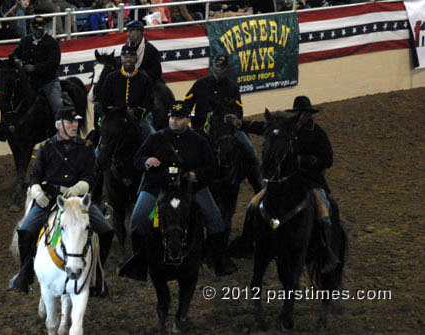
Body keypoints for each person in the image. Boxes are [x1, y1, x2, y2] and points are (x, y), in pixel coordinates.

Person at [118, 101, 237, 281]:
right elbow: (137, 159)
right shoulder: (155, 138)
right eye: (172, 117)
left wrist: (195, 174)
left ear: (187, 120)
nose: (174, 121)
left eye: (179, 118)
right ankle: (139, 264)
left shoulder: (199, 140)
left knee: (215, 219)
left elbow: (211, 168)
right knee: (138, 219)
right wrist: (146, 161)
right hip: (157, 185)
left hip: (190, 187)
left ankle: (218, 261)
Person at [8, 103, 114, 294]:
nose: (75, 125)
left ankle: (97, 275)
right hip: (50, 199)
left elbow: (91, 175)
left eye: (76, 121)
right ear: (59, 125)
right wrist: (37, 192)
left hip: (78, 202)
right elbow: (34, 176)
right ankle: (24, 274)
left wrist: (80, 187)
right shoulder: (46, 147)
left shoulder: (87, 147)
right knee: (25, 230)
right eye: (70, 121)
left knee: (106, 230)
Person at [228, 96, 340, 273]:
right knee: (252, 206)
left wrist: (304, 160)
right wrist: (240, 123)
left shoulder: (318, 133)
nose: (302, 116)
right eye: (299, 113)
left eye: (305, 113)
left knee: (324, 213)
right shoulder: (285, 128)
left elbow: (328, 159)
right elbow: (262, 127)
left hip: (310, 182)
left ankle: (326, 251)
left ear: (310, 114)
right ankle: (247, 242)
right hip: (282, 181)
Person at [183, 54, 262, 194]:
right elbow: (187, 105)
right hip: (202, 127)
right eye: (216, 66)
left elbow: (239, 110)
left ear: (226, 68)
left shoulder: (232, 87)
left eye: (221, 67)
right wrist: (185, 118)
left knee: (250, 149)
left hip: (226, 126)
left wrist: (235, 118)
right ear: (212, 66)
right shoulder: (199, 84)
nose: (218, 69)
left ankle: (257, 186)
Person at [98, 43, 156, 139]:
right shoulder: (111, 78)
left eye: (131, 56)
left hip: (139, 118)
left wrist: (136, 113)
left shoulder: (144, 78)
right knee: (102, 141)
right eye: (125, 57)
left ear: (136, 58)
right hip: (115, 117)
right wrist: (116, 112)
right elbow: (104, 100)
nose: (128, 59)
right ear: (121, 58)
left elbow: (149, 102)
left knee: (153, 137)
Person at [10, 16, 63, 119]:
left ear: (45, 27)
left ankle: (61, 127)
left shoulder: (52, 43)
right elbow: (14, 55)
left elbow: (53, 63)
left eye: (41, 28)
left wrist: (35, 68)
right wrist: (17, 60)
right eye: (35, 28)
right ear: (31, 27)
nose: (38, 30)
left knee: (57, 105)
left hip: (47, 81)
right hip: (28, 81)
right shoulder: (25, 40)